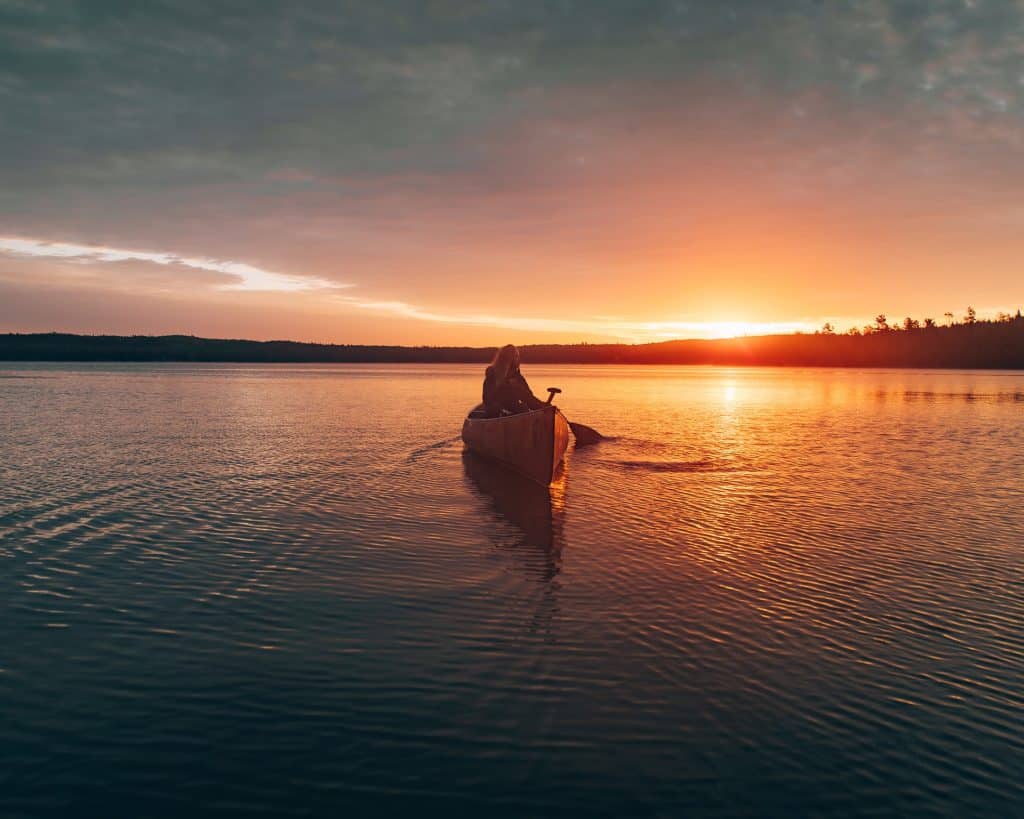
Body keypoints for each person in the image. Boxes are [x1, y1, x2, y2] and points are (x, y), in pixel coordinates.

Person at [482, 344, 546, 417]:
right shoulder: (492, 376)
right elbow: (488, 400)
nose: (518, 359)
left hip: (513, 414)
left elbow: (528, 398)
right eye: (516, 356)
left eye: (517, 356)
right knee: (521, 409)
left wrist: (543, 406)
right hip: (496, 415)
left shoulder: (517, 377)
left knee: (523, 408)